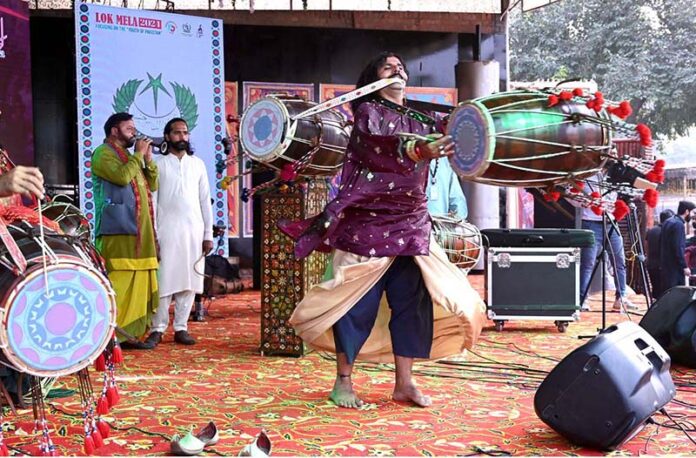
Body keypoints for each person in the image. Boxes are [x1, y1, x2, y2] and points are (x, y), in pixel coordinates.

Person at [279, 52, 485, 409]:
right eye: (387, 67)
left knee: (412, 303)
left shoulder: (423, 116)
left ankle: (404, 383)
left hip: (411, 220)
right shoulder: (366, 114)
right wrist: (419, 149)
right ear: (373, 78)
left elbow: (456, 139)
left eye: (400, 67)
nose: (397, 71)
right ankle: (343, 381)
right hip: (368, 221)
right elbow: (379, 147)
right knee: (358, 303)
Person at [92, 112, 159, 350]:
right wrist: (138, 155)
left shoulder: (130, 157)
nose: (134, 132)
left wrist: (148, 160)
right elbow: (121, 178)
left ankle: (130, 336)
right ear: (114, 131)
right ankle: (109, 334)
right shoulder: (103, 154)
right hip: (117, 230)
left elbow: (153, 185)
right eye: (129, 128)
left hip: (141, 231)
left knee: (140, 283)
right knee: (118, 283)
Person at [145, 118, 213, 347]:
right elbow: (152, 202)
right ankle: (157, 328)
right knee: (164, 280)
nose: (182, 137)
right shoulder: (158, 164)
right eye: (177, 133)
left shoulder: (198, 165)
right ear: (167, 136)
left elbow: (205, 202)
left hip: (194, 230)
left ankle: (181, 327)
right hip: (167, 230)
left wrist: (208, 235)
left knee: (189, 281)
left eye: (185, 132)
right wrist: (153, 235)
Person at [577, 174, 637, 312]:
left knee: (619, 261)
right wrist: (586, 201)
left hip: (611, 222)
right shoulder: (588, 174)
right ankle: (582, 299)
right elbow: (572, 197)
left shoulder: (615, 174)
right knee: (588, 263)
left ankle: (620, 298)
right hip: (591, 222)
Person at [660, 200, 696, 293]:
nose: (693, 216)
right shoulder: (678, 225)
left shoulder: (668, 221)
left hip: (666, 265)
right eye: (692, 212)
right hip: (674, 268)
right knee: (676, 294)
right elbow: (678, 247)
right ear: (687, 211)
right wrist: (684, 266)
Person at [645, 209, 674, 300]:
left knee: (655, 289)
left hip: (651, 264)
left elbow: (646, 245)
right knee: (664, 292)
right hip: (662, 265)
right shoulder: (667, 232)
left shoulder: (651, 231)